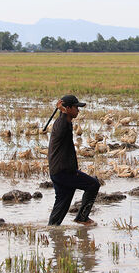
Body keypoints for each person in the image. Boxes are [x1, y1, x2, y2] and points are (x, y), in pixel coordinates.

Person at [48, 95, 100, 226]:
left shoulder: (64, 122)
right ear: (68, 108)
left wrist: (64, 113)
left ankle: (52, 229)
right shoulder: (61, 123)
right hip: (64, 172)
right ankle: (82, 218)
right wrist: (64, 112)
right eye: (76, 107)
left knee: (62, 203)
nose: (78, 110)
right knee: (93, 185)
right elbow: (63, 128)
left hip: (58, 171)